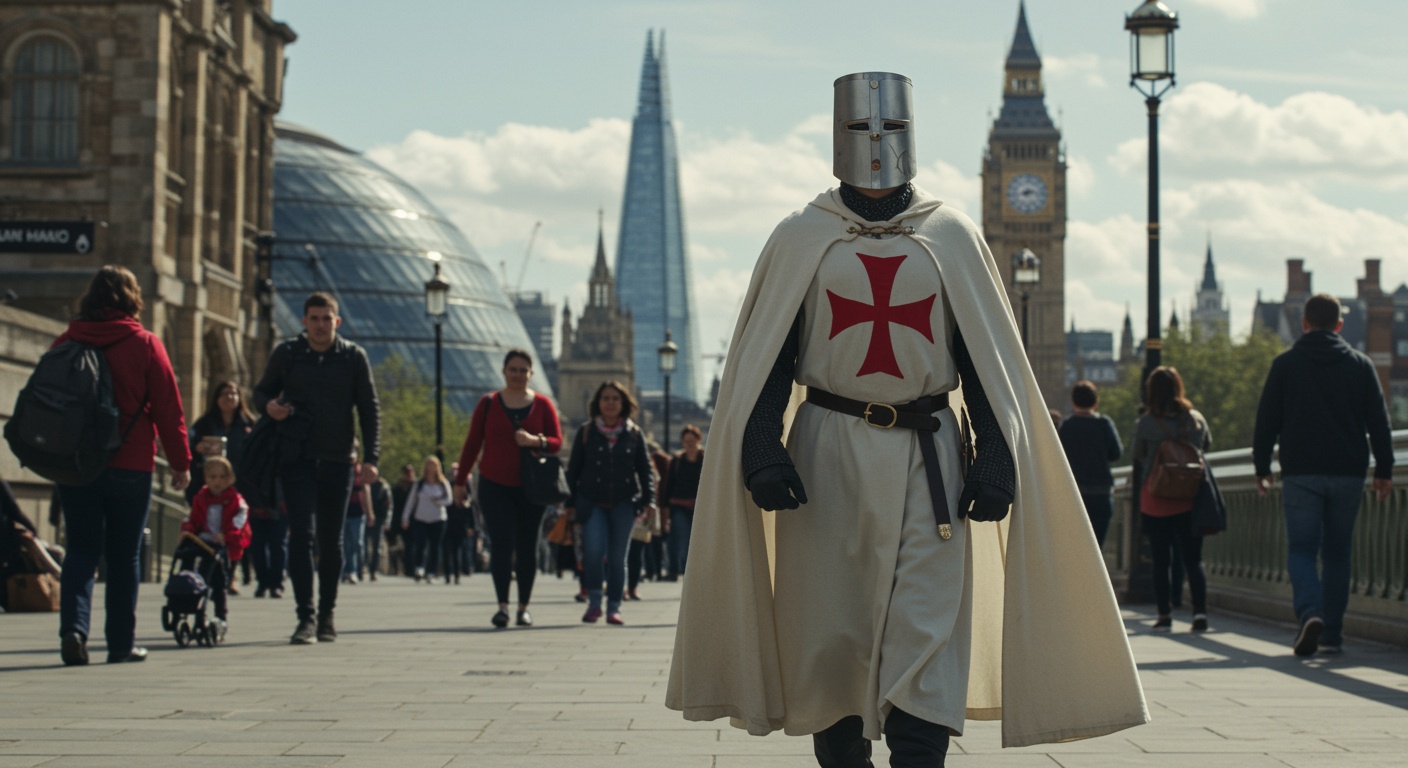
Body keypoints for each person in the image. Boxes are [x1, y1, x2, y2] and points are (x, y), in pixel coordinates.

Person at [665, 73, 1146, 763]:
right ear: (839, 136)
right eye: (863, 130)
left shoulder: (949, 235)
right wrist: (762, 444)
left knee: (928, 629)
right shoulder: (803, 236)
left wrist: (995, 454)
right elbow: (771, 353)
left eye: (889, 130)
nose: (877, 144)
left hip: (932, 466)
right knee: (832, 634)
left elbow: (981, 355)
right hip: (827, 458)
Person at [54, 265, 191, 665]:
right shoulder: (146, 344)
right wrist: (181, 462)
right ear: (132, 298)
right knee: (124, 554)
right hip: (130, 462)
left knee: (79, 549)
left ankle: (74, 631)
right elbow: (169, 410)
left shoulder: (67, 340)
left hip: (78, 463)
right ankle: (120, 643)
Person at [1253, 293, 1394, 656]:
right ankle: (1331, 634)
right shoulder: (1360, 365)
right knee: (1337, 554)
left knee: (1301, 550)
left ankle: (1310, 612)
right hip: (1348, 471)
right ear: (1339, 325)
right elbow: (1379, 422)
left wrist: (1262, 466)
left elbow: (1267, 420)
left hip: (1301, 471)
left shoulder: (1285, 364)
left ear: (1304, 323)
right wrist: (1384, 469)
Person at [253, 291, 380, 645]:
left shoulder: (353, 358)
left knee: (331, 541)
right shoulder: (288, 354)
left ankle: (327, 615)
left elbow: (370, 409)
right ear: (304, 321)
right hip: (298, 458)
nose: (321, 325)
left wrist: (372, 458)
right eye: (314, 319)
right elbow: (260, 392)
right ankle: (304, 617)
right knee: (300, 536)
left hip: (339, 459)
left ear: (337, 322)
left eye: (328, 319)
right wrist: (269, 408)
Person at [454, 349, 563, 629]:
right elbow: (472, 443)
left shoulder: (543, 404)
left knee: (528, 548)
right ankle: (502, 606)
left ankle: (523, 607)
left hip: (532, 487)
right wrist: (460, 481)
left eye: (523, 370)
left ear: (531, 374)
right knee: (501, 545)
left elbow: (556, 442)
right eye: (512, 369)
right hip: (494, 485)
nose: (517, 374)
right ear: (503, 371)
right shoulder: (488, 403)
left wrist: (533, 440)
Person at [565, 381, 656, 625]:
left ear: (623, 403)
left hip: (624, 502)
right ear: (598, 403)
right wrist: (570, 502)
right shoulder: (586, 432)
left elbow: (645, 470)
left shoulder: (634, 433)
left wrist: (649, 500)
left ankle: (614, 607)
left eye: (615, 398)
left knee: (618, 557)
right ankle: (594, 603)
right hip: (591, 501)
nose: (610, 402)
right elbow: (573, 470)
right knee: (593, 552)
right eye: (606, 398)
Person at [1132, 366, 1212, 633]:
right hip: (1190, 496)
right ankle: (1199, 612)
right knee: (1193, 558)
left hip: (1156, 496)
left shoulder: (1145, 423)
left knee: (1160, 559)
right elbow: (1206, 446)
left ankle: (1164, 614)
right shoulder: (1195, 419)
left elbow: (1138, 454)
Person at [179, 457, 250, 636]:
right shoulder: (201, 498)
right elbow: (193, 519)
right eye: (212, 477)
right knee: (199, 579)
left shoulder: (236, 500)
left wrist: (227, 536)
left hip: (225, 546)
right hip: (205, 544)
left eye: (221, 477)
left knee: (219, 585)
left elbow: (240, 522)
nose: (217, 482)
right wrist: (187, 531)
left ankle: (221, 616)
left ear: (229, 479)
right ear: (205, 478)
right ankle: (197, 614)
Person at [1058, 381, 1123, 548]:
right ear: (1096, 401)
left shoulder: (1067, 427)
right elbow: (1116, 453)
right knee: (1097, 547)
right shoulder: (1104, 424)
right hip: (1101, 493)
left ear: (1073, 401)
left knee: (1076, 547)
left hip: (1075, 494)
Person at [663, 424, 704, 579]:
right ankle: (686, 571)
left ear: (699, 441)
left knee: (699, 539)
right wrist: (665, 509)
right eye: (686, 441)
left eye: (692, 441)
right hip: (679, 505)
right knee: (683, 536)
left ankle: (694, 570)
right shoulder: (677, 461)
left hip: (700, 507)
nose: (689, 444)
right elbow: (669, 485)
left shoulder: (705, 460)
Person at [401, 456, 450, 582]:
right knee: (420, 543)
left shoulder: (443, 483)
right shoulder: (419, 484)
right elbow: (411, 502)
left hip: (438, 518)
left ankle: (432, 572)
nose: (431, 468)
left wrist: (438, 501)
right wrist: (405, 517)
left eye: (433, 465)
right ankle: (419, 568)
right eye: (429, 465)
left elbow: (449, 500)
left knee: (435, 546)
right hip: (421, 518)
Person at [341, 456, 372, 585]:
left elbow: (366, 491)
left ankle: (358, 570)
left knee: (357, 543)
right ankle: (347, 571)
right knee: (344, 544)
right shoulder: (340, 469)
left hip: (358, 513)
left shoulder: (360, 471)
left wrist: (370, 512)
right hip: (343, 513)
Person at [443, 462, 473, 584]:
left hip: (461, 524)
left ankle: (457, 574)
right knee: (446, 550)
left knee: (457, 551)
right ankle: (447, 574)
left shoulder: (466, 486)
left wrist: (471, 526)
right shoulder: (447, 485)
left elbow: (470, 506)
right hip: (447, 523)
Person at [387, 463, 417, 576]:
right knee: (398, 548)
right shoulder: (397, 489)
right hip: (399, 522)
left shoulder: (417, 487)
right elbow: (393, 507)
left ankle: (412, 569)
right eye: (407, 473)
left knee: (411, 546)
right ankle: (399, 568)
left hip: (414, 521)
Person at [365, 474, 392, 581]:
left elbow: (389, 505)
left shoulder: (383, 486)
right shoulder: (364, 483)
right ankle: (362, 567)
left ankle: (373, 570)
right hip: (365, 517)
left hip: (379, 519)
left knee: (376, 546)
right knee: (363, 545)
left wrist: (387, 521)